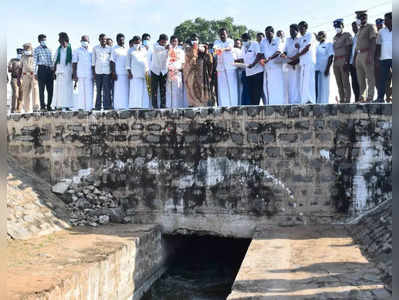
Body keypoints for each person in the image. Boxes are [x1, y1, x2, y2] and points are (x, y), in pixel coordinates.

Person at [183, 34, 215, 107]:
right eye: (192, 38)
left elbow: (207, 54)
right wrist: (192, 47)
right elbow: (187, 53)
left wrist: (198, 47)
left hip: (201, 69)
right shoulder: (187, 47)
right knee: (191, 86)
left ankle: (202, 103)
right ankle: (193, 103)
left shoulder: (202, 46)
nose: (194, 40)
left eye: (196, 38)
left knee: (200, 86)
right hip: (190, 70)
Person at [353, 10, 377, 102]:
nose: (357, 20)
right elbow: (357, 45)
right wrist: (355, 58)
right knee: (360, 78)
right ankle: (362, 97)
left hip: (366, 53)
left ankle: (370, 97)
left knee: (370, 77)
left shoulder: (370, 27)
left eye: (358, 18)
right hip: (358, 55)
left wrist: (370, 55)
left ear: (364, 18)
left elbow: (373, 41)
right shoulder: (359, 29)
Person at [292, 21, 316, 104]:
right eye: (299, 28)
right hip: (303, 63)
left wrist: (297, 55)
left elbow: (307, 48)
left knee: (309, 82)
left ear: (306, 28)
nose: (300, 30)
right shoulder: (301, 38)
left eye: (301, 28)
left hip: (309, 62)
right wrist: (298, 47)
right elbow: (301, 48)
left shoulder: (310, 35)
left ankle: (310, 100)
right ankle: (304, 100)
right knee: (303, 83)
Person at [259, 26, 285, 105]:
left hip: (277, 68)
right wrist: (263, 59)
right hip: (267, 68)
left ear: (273, 33)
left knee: (277, 88)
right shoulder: (263, 41)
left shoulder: (278, 40)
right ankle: (269, 104)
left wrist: (269, 59)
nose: (267, 35)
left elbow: (278, 52)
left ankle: (279, 105)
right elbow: (262, 53)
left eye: (269, 33)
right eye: (266, 33)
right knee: (268, 88)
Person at [213, 28, 239, 107]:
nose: (222, 36)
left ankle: (234, 105)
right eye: (220, 34)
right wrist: (218, 50)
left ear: (227, 34)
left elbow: (229, 48)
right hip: (221, 68)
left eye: (223, 34)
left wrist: (222, 49)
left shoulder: (230, 41)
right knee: (222, 88)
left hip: (230, 67)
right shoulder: (217, 41)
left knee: (232, 87)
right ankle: (223, 106)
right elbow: (215, 50)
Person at [126, 36, 150, 108]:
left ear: (140, 41)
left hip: (144, 73)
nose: (137, 42)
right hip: (134, 74)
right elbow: (127, 63)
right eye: (135, 41)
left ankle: (145, 106)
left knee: (145, 91)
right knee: (135, 90)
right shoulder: (130, 50)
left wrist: (147, 70)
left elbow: (146, 61)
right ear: (133, 42)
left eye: (138, 41)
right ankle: (135, 106)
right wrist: (129, 72)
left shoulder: (144, 49)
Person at [332, 19, 353, 103]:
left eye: (339, 26)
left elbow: (349, 48)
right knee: (339, 83)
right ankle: (342, 99)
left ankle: (347, 99)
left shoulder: (347, 35)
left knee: (345, 82)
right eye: (336, 27)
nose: (337, 28)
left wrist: (346, 62)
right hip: (336, 61)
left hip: (343, 59)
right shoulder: (334, 37)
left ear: (342, 26)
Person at [53, 32, 73, 110]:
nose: (58, 40)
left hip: (68, 72)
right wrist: (54, 72)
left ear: (64, 39)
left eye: (60, 39)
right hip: (59, 72)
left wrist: (74, 73)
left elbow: (73, 62)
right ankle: (59, 106)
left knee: (67, 90)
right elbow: (55, 61)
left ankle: (67, 106)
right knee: (59, 90)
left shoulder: (70, 48)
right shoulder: (58, 49)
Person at [72, 35, 93, 111]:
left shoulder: (92, 50)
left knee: (89, 91)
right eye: (83, 40)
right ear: (80, 41)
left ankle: (89, 107)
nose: (84, 42)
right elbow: (74, 63)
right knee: (81, 92)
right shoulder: (77, 50)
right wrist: (74, 74)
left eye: (86, 40)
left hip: (89, 74)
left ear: (89, 42)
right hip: (80, 74)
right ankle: (81, 107)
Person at [242, 33, 263, 105]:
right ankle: (253, 109)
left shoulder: (254, 44)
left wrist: (253, 64)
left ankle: (257, 108)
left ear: (249, 39)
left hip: (257, 73)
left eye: (246, 40)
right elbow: (244, 58)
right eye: (243, 40)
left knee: (256, 93)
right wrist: (235, 62)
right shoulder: (243, 47)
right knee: (251, 94)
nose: (244, 41)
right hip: (248, 73)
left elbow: (259, 55)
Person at [34, 34, 54, 111]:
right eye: (42, 40)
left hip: (49, 70)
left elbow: (52, 61)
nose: (44, 41)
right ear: (39, 41)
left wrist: (53, 71)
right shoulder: (37, 49)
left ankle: (49, 106)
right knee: (41, 90)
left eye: (45, 40)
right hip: (41, 69)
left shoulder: (49, 49)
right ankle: (42, 106)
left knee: (50, 89)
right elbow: (35, 62)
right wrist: (35, 73)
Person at [92, 33, 112, 110]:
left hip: (107, 72)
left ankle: (107, 107)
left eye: (105, 39)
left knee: (106, 90)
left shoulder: (110, 48)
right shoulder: (95, 48)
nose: (103, 40)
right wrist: (94, 73)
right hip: (98, 72)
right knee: (98, 90)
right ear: (99, 40)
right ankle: (98, 106)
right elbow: (93, 62)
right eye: (102, 39)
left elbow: (111, 61)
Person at [282, 24, 301, 104]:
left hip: (297, 65)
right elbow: (285, 50)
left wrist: (295, 62)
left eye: (293, 31)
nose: (291, 32)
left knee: (296, 83)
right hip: (289, 64)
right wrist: (284, 55)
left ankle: (296, 102)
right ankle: (290, 102)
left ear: (297, 31)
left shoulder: (300, 39)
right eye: (290, 30)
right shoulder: (288, 40)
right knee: (290, 84)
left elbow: (301, 52)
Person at [375, 12, 392, 103]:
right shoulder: (381, 32)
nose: (385, 21)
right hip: (383, 59)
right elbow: (378, 45)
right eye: (384, 19)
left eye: (387, 19)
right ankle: (380, 98)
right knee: (382, 80)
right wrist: (377, 58)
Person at [150, 34, 169, 108]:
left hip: (164, 71)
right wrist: (165, 48)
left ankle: (163, 106)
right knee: (154, 90)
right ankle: (154, 106)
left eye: (165, 42)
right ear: (160, 40)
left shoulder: (167, 47)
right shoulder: (155, 46)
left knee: (163, 89)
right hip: (155, 70)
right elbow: (158, 49)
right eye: (163, 42)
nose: (164, 43)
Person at [110, 33, 129, 109]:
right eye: (120, 40)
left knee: (126, 90)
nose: (122, 41)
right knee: (118, 91)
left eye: (123, 39)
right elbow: (112, 61)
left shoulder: (127, 49)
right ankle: (118, 107)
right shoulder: (114, 49)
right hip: (118, 73)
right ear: (117, 40)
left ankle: (126, 106)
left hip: (126, 73)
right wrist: (113, 72)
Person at [166, 36, 185, 108]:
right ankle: (169, 107)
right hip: (169, 72)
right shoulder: (168, 50)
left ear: (177, 42)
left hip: (178, 72)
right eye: (173, 41)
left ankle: (178, 107)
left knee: (178, 90)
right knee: (169, 90)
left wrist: (179, 70)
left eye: (175, 41)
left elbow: (183, 63)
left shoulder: (181, 51)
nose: (174, 43)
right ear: (170, 42)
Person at [19, 44, 39, 113]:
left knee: (35, 90)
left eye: (27, 49)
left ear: (30, 49)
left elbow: (38, 65)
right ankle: (27, 110)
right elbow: (20, 68)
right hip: (25, 76)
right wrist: (19, 79)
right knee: (26, 92)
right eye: (25, 49)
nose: (26, 50)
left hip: (34, 75)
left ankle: (35, 107)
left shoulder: (35, 56)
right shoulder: (22, 57)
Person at [315, 31, 334, 104]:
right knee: (318, 89)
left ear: (325, 36)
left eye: (321, 35)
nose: (320, 36)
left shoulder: (328, 44)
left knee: (324, 88)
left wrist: (327, 68)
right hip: (317, 70)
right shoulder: (316, 46)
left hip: (325, 70)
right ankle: (318, 103)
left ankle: (325, 103)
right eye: (319, 35)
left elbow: (331, 56)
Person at [8, 48, 23, 113]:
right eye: (18, 53)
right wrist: (13, 68)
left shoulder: (23, 60)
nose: (19, 54)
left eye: (21, 53)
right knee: (15, 94)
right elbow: (9, 69)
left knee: (21, 95)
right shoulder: (12, 60)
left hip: (22, 79)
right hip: (14, 78)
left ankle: (19, 109)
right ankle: (13, 109)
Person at [350, 21, 360, 102]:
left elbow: (358, 49)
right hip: (351, 62)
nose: (354, 28)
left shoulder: (361, 35)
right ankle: (356, 98)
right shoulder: (354, 37)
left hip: (358, 61)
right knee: (354, 82)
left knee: (360, 80)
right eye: (352, 27)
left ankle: (361, 98)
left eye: (355, 26)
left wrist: (354, 59)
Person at [233, 38, 246, 105]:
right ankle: (239, 104)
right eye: (236, 43)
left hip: (245, 70)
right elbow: (235, 60)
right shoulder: (234, 50)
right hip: (238, 70)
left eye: (238, 43)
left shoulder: (243, 49)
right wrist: (244, 60)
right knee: (239, 88)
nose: (237, 44)